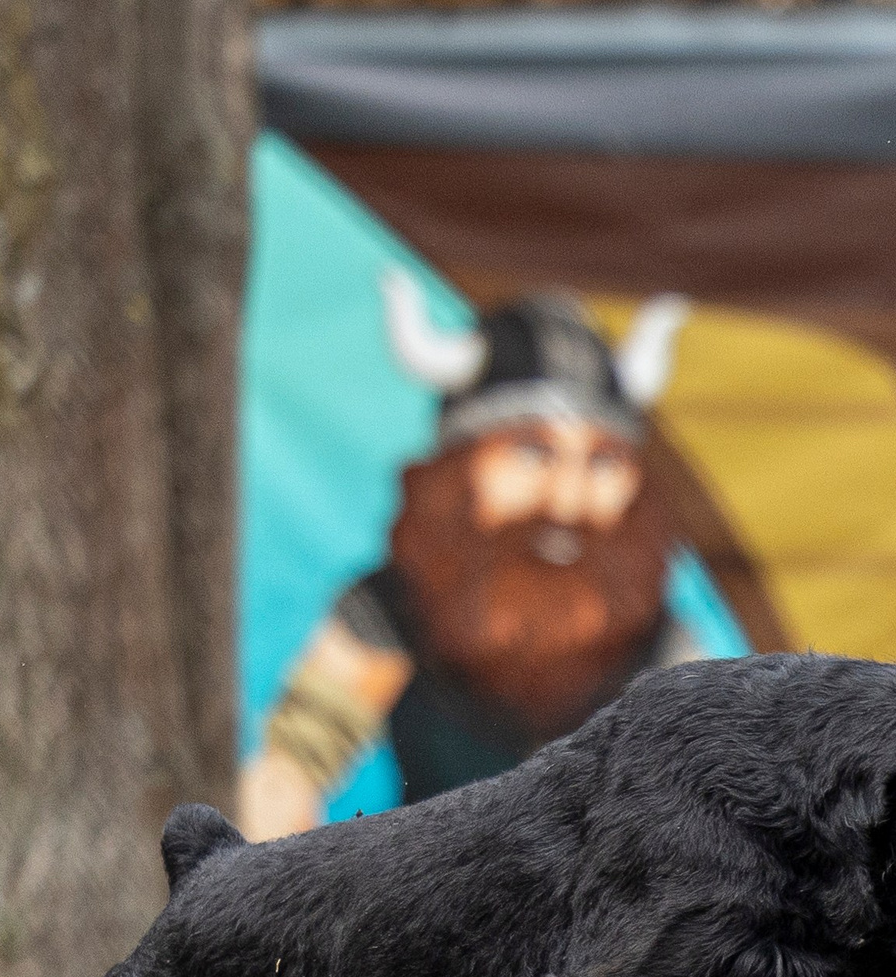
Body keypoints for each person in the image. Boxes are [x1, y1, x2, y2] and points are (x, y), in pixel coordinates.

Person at [243, 288, 729, 840]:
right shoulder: (398, 609)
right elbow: (291, 766)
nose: (567, 501)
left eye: (602, 462)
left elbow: (717, 790)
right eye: (531, 452)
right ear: (459, 471)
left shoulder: (651, 637)